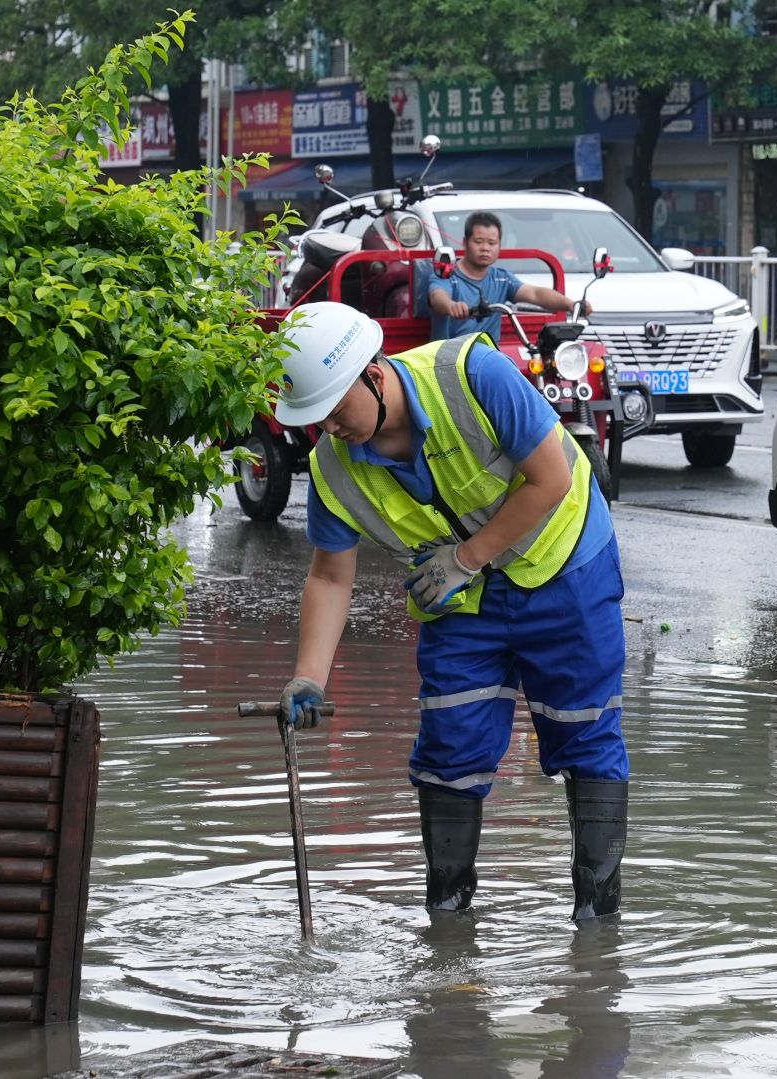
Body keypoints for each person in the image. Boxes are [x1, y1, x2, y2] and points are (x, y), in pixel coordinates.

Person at [270, 301, 629, 922]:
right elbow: (330, 575)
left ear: (374, 374)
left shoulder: (472, 375)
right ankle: (448, 922)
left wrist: (467, 557)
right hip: (461, 602)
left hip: (565, 565)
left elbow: (551, 480)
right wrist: (309, 677)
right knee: (449, 747)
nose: (328, 428)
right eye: (315, 419)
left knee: (584, 731)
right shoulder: (332, 470)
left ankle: (596, 928)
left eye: (333, 409)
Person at [427, 211, 587, 344]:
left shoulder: (502, 279)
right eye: (478, 241)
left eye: (491, 243)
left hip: (488, 357)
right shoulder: (446, 274)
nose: (485, 248)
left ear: (499, 246)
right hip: (448, 357)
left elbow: (535, 293)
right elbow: (437, 296)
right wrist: (451, 306)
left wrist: (571, 304)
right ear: (465, 243)